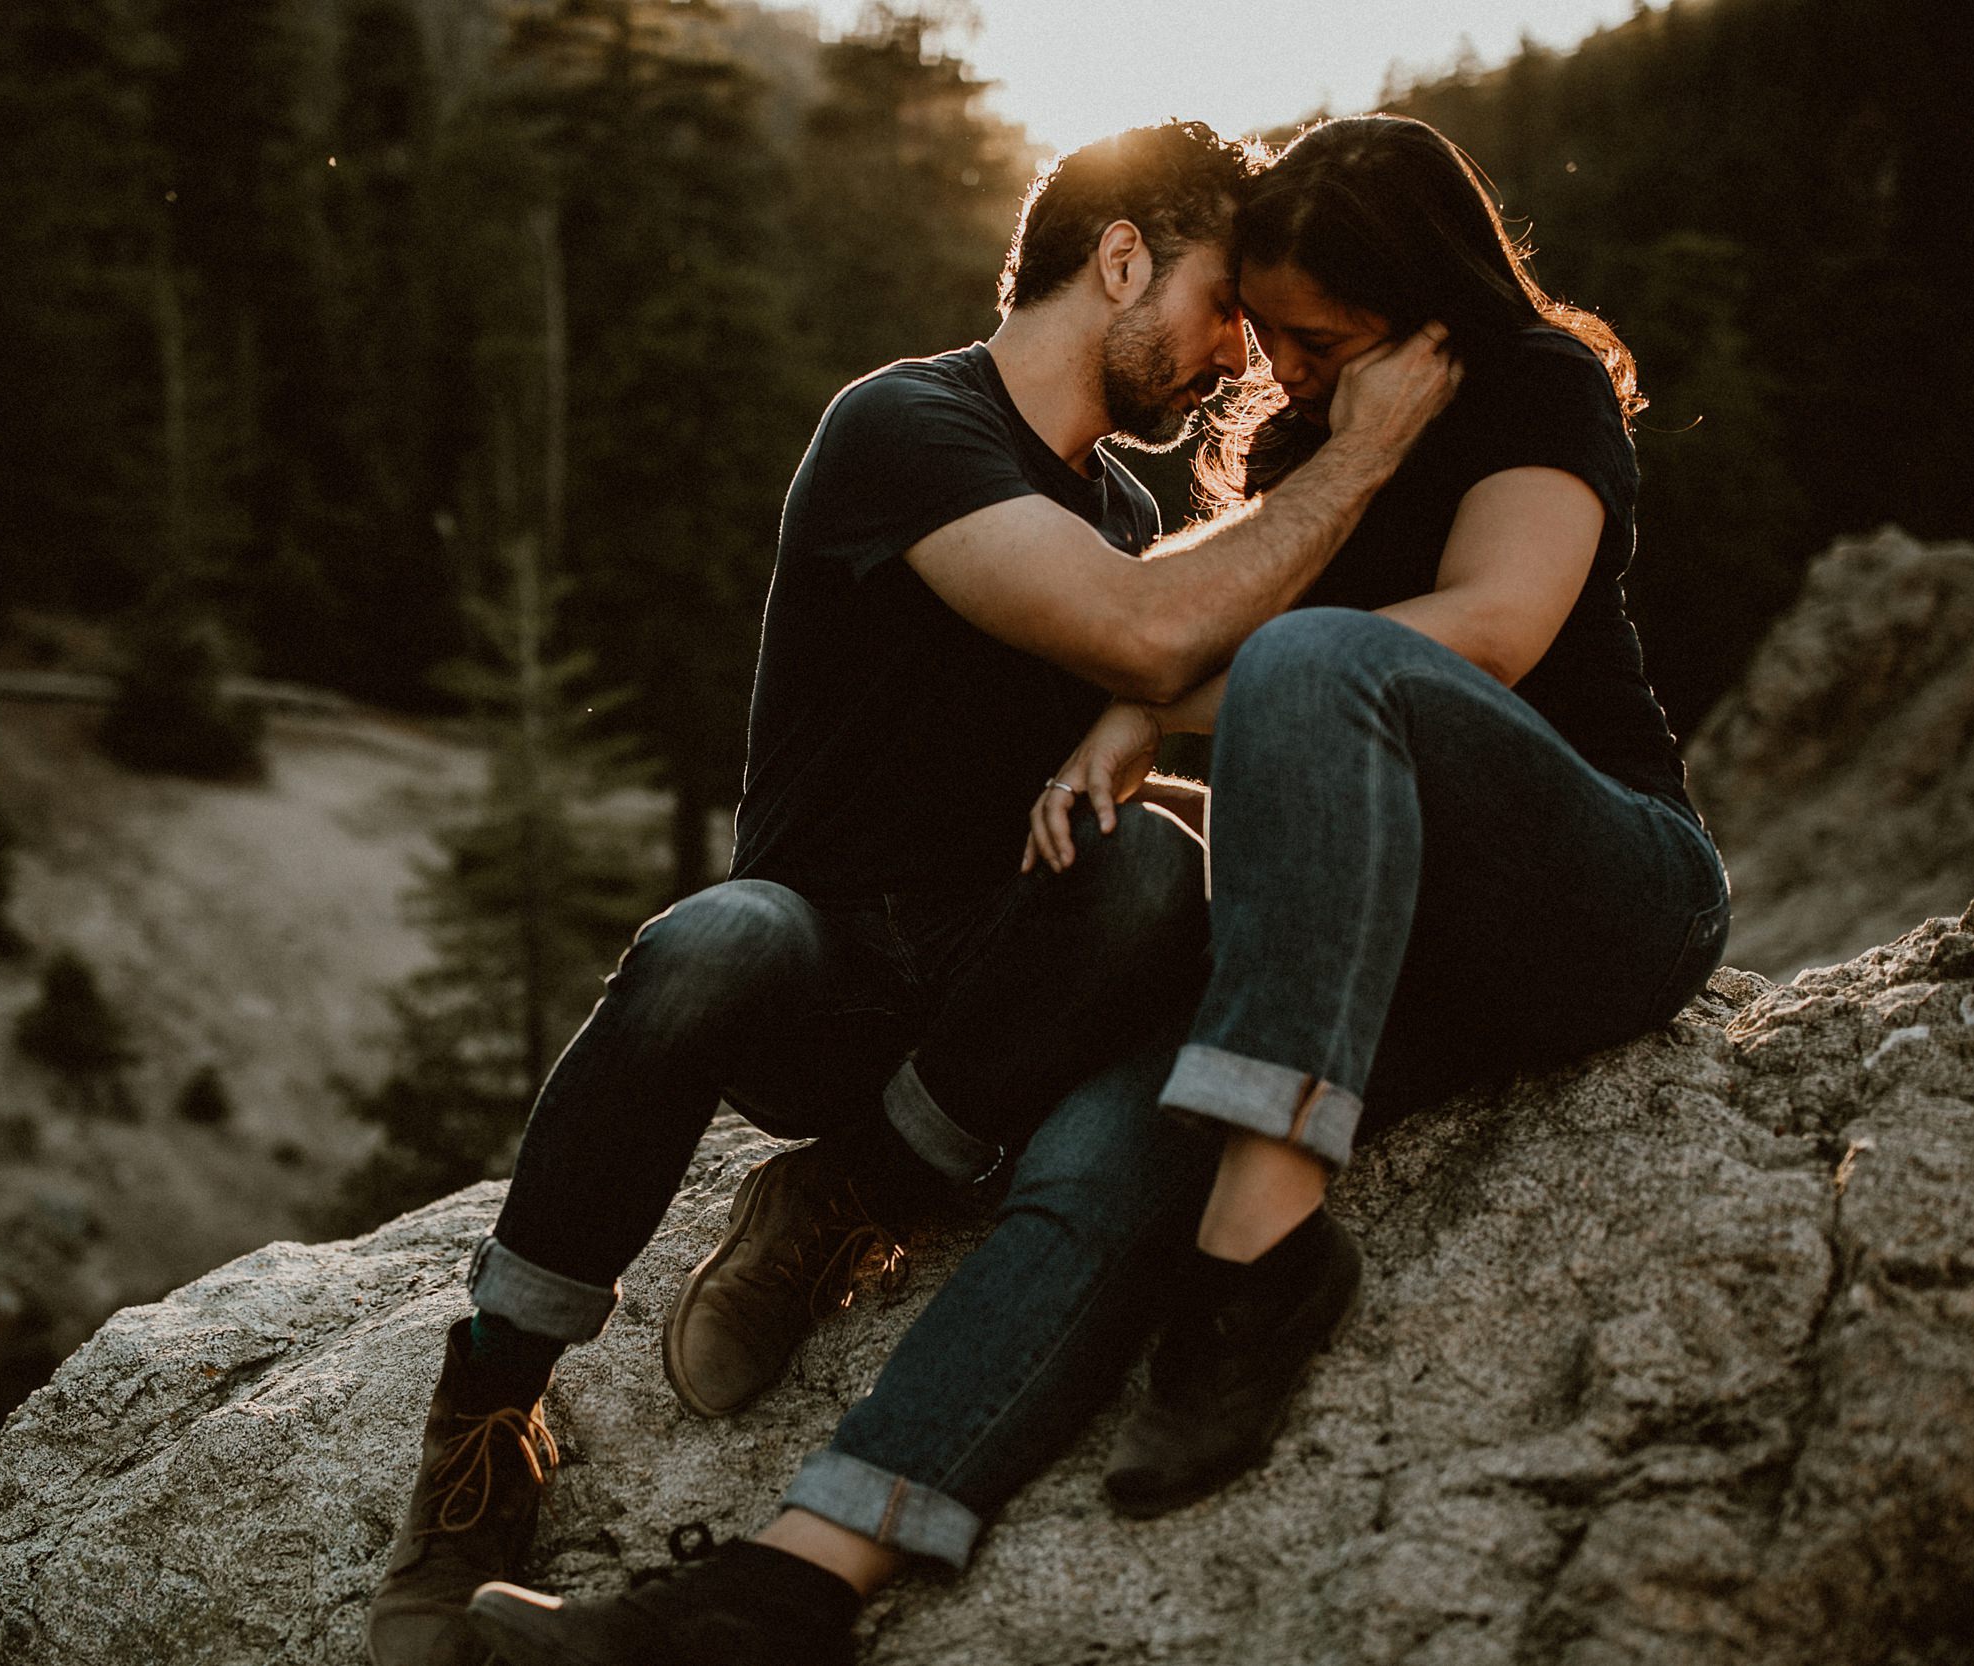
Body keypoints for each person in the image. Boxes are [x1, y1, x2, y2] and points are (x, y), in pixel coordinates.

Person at [461, 114, 1727, 1666]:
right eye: (1263, 333)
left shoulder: (1533, 382)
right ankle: (785, 1584)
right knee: (1094, 1155)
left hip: (1601, 885)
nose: (1277, 373)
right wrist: (1160, 686)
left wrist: (1155, 700)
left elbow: (1497, 627)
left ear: (1419, 312)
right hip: (1386, 954)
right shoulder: (1274, 451)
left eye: (1318, 342)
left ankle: (1261, 1256)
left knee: (1313, 668)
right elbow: (1197, 645)